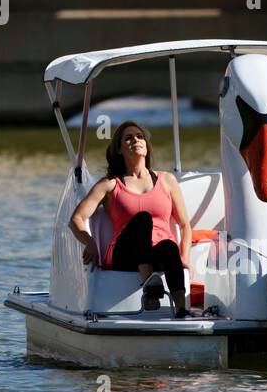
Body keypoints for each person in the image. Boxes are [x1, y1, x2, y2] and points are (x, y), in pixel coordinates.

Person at [68, 120, 194, 317]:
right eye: (129, 138)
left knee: (170, 247)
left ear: (146, 146)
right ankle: (148, 285)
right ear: (119, 149)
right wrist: (90, 242)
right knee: (142, 219)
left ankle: (181, 309)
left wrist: (184, 258)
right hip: (123, 254)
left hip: (156, 251)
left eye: (140, 136)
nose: (136, 139)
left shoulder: (167, 180)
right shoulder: (110, 184)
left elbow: (185, 225)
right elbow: (76, 218)